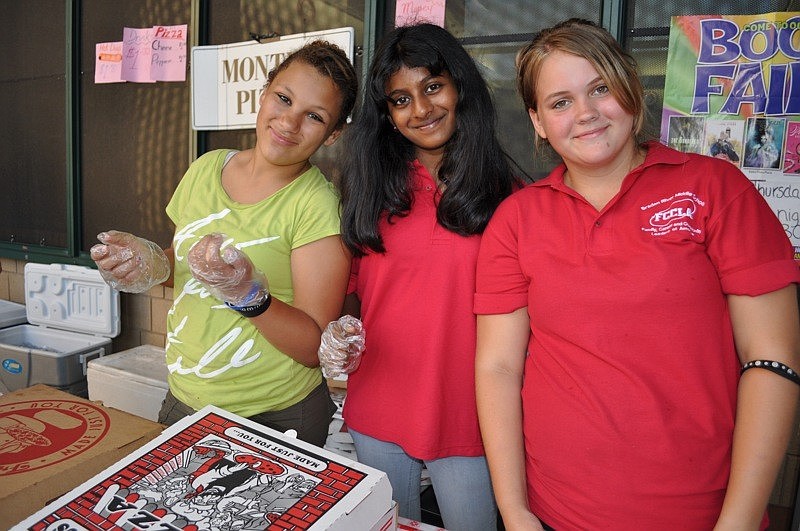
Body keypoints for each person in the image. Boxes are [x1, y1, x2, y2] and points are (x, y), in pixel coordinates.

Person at [474, 18, 800, 531]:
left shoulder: (716, 189)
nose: (585, 114)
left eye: (599, 88)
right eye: (560, 102)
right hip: (557, 513)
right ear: (537, 121)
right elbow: (498, 367)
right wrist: (515, 512)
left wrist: (734, 524)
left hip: (701, 513)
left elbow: (772, 359)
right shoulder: (516, 220)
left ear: (628, 86)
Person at [90, 40, 358, 448]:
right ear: (264, 92)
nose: (288, 122)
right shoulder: (205, 168)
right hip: (186, 397)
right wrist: (147, 264)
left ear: (333, 133)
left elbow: (311, 346)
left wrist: (249, 295)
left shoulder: (317, 206)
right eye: (283, 99)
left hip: (275, 412)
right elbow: (186, 267)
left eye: (314, 117)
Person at [321, 22, 520, 531]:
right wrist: (339, 338)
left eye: (433, 87)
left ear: (459, 86)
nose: (422, 109)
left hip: (472, 417)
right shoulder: (369, 189)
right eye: (400, 99)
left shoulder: (510, 192)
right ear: (386, 115)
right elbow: (350, 299)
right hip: (378, 408)